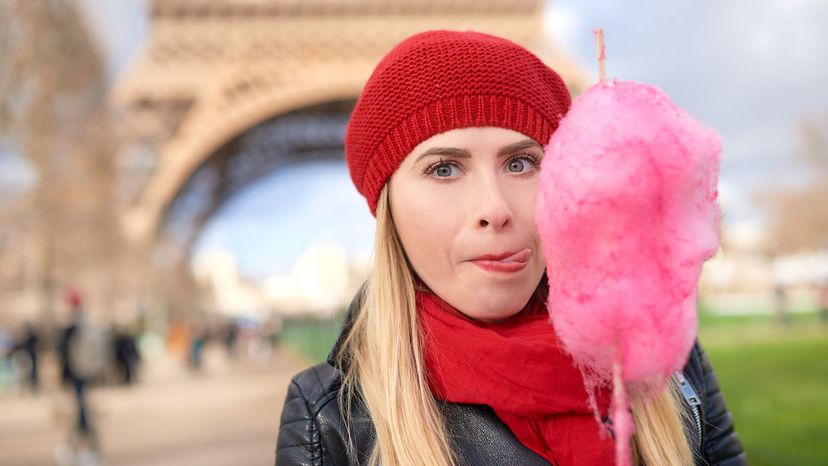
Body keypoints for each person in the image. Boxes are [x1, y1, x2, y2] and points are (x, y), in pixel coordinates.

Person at [275, 30, 747, 466]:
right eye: (444, 169)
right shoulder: (330, 417)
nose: (494, 208)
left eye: (521, 162)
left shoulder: (666, 360)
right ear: (388, 209)